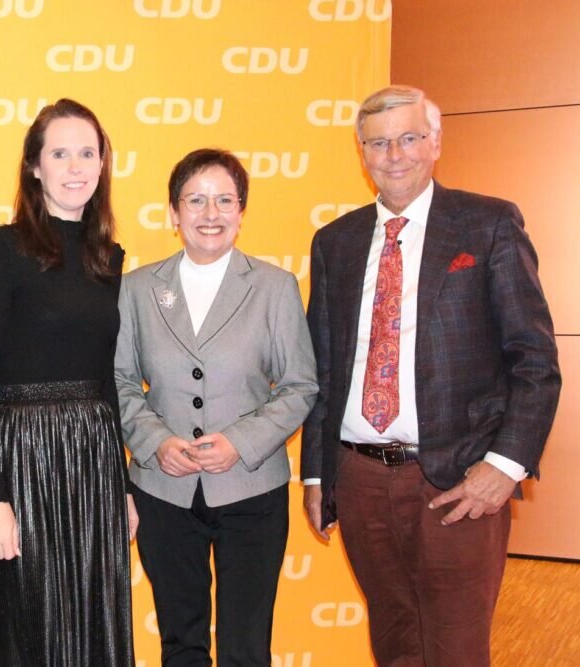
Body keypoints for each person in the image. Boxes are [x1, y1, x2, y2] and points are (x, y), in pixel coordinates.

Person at [302, 85, 560, 666]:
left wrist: (504, 466)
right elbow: (322, 369)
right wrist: (318, 476)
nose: (394, 155)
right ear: (361, 153)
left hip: (459, 480)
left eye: (410, 138)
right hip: (361, 480)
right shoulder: (335, 242)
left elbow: (535, 361)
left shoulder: (488, 224)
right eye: (378, 143)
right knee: (394, 645)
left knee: (456, 650)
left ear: (436, 142)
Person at [115, 148, 317, 666]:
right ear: (173, 212)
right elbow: (118, 381)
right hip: (164, 490)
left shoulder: (275, 287)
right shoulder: (136, 288)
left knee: (246, 646)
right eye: (196, 200)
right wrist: (156, 442)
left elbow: (300, 385)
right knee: (181, 642)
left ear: (241, 211)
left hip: (252, 489)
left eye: (225, 200)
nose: (211, 214)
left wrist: (240, 443)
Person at [0, 98, 135, 666]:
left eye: (87, 153)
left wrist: (124, 486)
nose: (76, 167)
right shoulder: (0, 249)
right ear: (34, 167)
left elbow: (107, 380)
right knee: (29, 630)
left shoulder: (109, 258)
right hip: (24, 461)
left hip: (94, 461)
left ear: (103, 164)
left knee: (91, 625)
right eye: (60, 154)